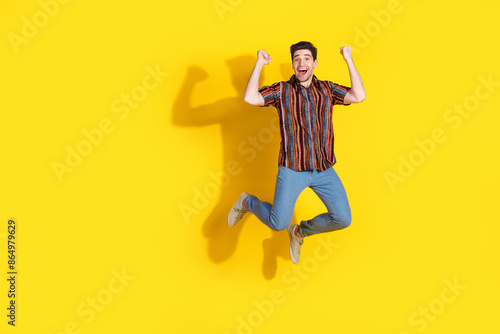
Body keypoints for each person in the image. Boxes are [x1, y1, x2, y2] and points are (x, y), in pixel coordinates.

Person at [228, 41, 366, 263]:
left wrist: (348, 58)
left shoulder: (327, 89)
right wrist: (259, 64)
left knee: (342, 218)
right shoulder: (282, 90)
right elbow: (250, 98)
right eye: (297, 59)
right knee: (277, 222)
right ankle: (247, 202)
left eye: (306, 58)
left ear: (314, 63)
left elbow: (359, 95)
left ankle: (299, 233)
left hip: (323, 169)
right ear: (293, 65)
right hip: (292, 169)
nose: (301, 62)